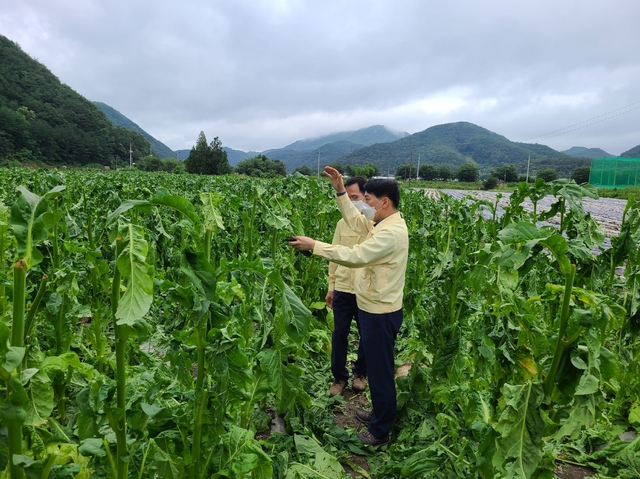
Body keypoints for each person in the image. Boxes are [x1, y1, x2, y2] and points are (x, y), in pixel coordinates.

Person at [288, 166, 409, 446]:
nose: (363, 205)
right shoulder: (382, 223)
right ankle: (380, 412)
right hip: (373, 306)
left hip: (381, 311)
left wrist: (314, 246)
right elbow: (355, 221)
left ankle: (380, 430)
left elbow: (356, 255)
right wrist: (341, 190)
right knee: (378, 368)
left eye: (367, 199)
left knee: (379, 371)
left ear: (384, 202)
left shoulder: (389, 234)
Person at [326, 176, 368, 397]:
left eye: (355, 197)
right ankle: (339, 377)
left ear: (365, 197)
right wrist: (331, 285)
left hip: (365, 291)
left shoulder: (372, 224)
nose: (351, 202)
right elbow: (334, 254)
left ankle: (360, 373)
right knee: (339, 333)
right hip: (343, 287)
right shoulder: (341, 223)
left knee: (366, 334)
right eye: (348, 197)